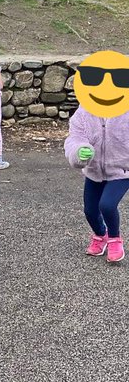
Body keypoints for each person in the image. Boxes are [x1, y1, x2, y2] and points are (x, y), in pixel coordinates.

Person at [65, 104, 129, 263]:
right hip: (94, 171)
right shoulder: (84, 112)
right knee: (90, 211)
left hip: (122, 171)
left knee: (107, 205)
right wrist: (79, 150)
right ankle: (101, 235)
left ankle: (115, 238)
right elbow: (75, 138)